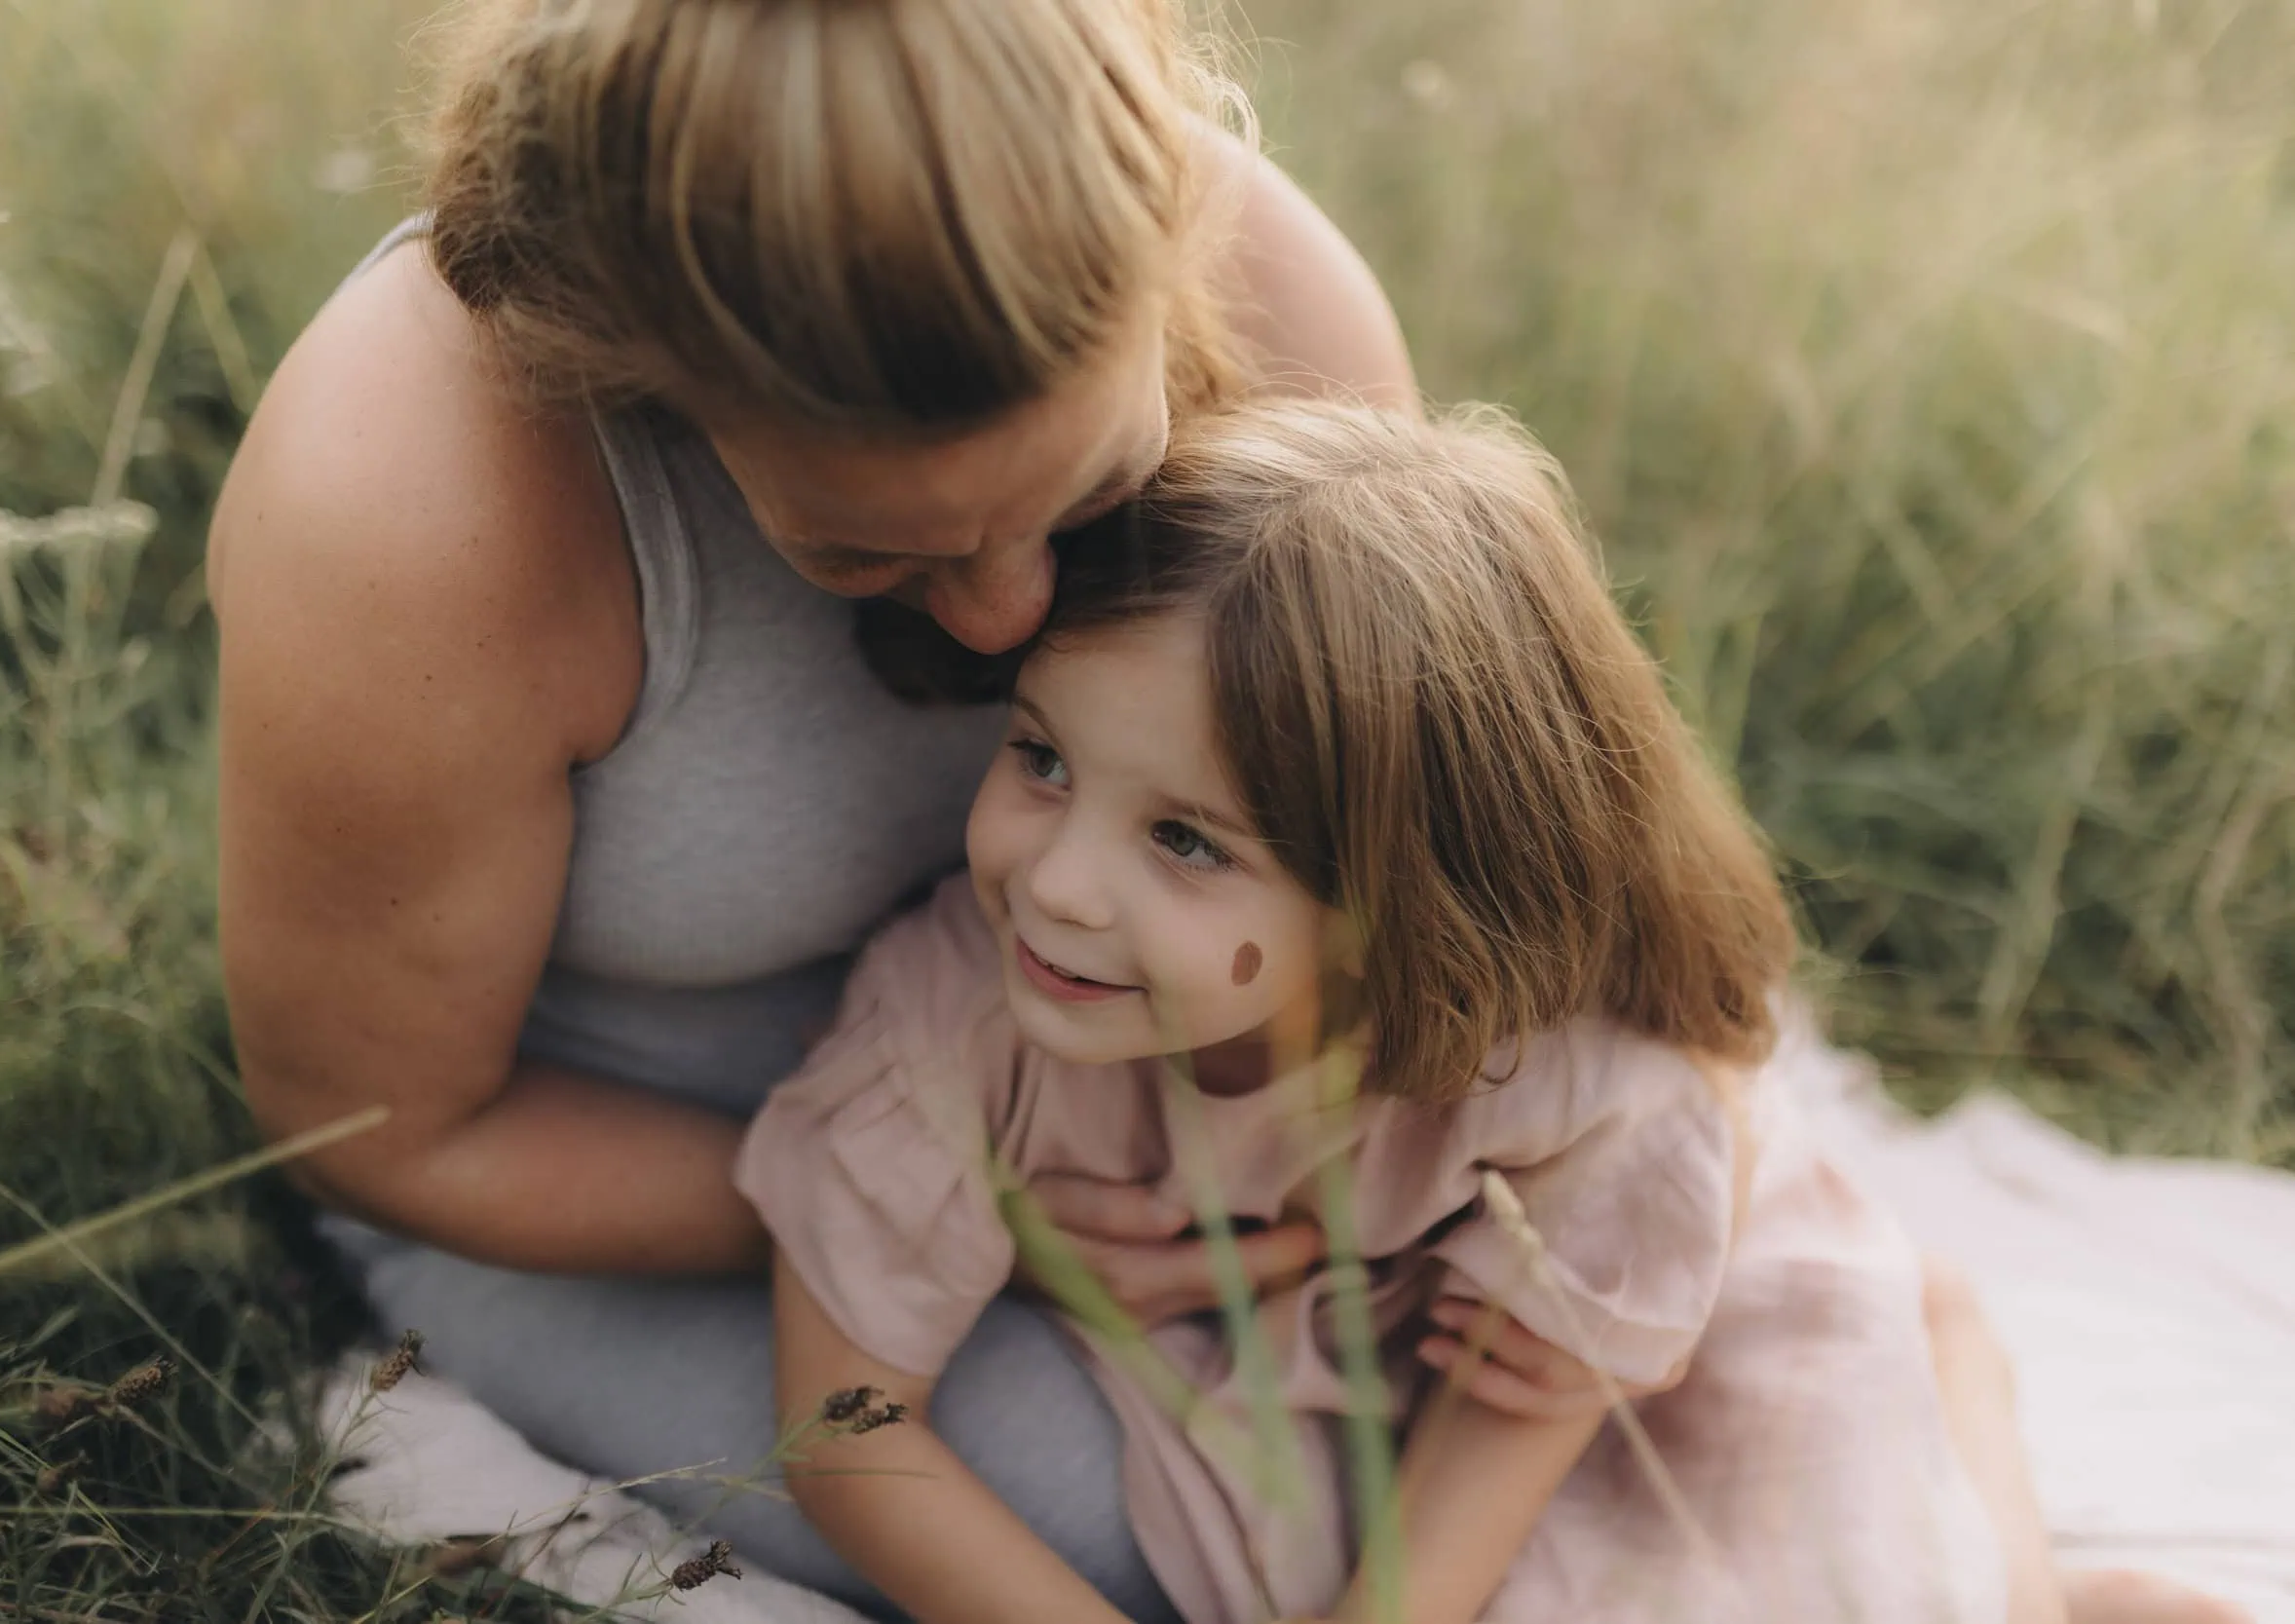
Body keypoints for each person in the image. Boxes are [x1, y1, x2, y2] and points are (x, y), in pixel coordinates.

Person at [206, 2, 2235, 1619]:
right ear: (646, 378)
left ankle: (1989, 1563)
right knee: (1159, 1536)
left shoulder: (1268, 281)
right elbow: (387, 1126)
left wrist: (1326, 1186)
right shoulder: (417, 508)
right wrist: (969, 1210)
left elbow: (1413, 836)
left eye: (1086, 499)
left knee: (1693, 1345)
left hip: (1236, 1111)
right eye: (860, 554)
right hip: (648, 1181)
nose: (1006, 621)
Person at [736, 401, 2245, 1624]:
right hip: (1318, 1391)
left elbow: (1509, 1447)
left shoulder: (1571, 1073)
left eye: (1187, 840)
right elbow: (849, 1428)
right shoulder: (956, 1005)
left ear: (1405, 892)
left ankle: (2023, 1548)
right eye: (1043, 758)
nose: (1055, 883)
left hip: (1544, 1409)